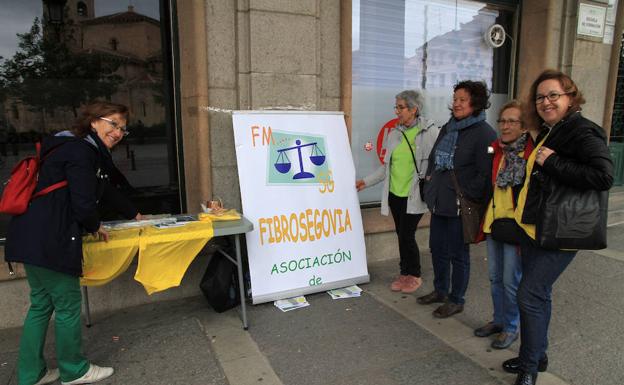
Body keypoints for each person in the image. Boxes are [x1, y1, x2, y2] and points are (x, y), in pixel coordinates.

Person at [5, 102, 142, 385]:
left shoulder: (72, 147)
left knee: (41, 305)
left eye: (122, 128)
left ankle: (31, 374)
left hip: (30, 236)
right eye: (113, 123)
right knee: (67, 306)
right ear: (93, 122)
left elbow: (104, 190)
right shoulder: (82, 152)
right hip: (51, 239)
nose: (118, 132)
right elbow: (83, 202)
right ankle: (74, 370)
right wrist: (94, 225)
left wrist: (134, 214)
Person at [503, 70, 613, 385]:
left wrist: (552, 162)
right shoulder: (554, 129)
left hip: (562, 232)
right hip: (538, 228)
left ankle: (529, 369)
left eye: (554, 95)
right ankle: (537, 356)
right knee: (539, 294)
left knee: (529, 294)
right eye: (540, 97)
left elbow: (603, 176)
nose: (546, 102)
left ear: (570, 97)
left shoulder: (582, 131)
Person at [418, 80, 497, 318]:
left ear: (476, 102)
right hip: (440, 202)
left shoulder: (484, 133)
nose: (457, 104)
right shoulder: (449, 127)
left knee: (457, 254)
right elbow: (434, 158)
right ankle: (440, 290)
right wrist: (430, 186)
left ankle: (456, 299)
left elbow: (485, 175)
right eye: (455, 99)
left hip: (460, 206)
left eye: (462, 100)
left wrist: (465, 195)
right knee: (437, 249)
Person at [356, 90, 440, 293]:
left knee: (407, 234)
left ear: (414, 109)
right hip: (395, 195)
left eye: (401, 107)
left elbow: (437, 163)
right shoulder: (394, 133)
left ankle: (415, 274)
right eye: (396, 107)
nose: (397, 111)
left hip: (414, 196)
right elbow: (386, 168)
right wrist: (364, 183)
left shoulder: (429, 132)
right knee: (401, 234)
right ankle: (404, 273)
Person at [474, 100, 533, 349]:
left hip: (515, 228)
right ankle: (498, 320)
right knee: (495, 277)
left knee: (511, 282)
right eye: (502, 121)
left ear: (523, 126)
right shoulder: (496, 150)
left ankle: (511, 327)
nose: (505, 126)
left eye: (512, 121)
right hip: (493, 223)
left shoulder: (529, 154)